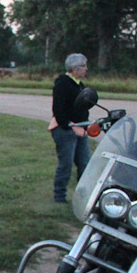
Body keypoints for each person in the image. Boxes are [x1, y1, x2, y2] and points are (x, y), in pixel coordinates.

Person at [49, 53, 92, 202]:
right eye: (84, 66)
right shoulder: (62, 83)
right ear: (74, 68)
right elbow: (58, 110)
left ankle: (83, 197)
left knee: (85, 163)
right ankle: (59, 196)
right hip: (65, 130)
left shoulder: (80, 85)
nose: (86, 69)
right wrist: (69, 126)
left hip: (81, 130)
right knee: (66, 165)